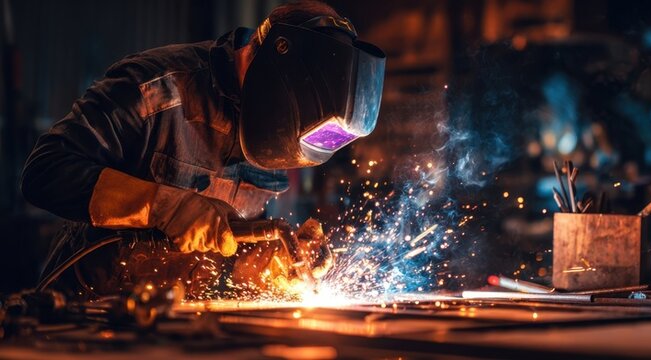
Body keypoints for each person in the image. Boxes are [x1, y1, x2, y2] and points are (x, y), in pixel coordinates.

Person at [20, 1, 385, 299]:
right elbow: (44, 172)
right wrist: (163, 206)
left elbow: (223, 245)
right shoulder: (154, 89)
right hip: (82, 313)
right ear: (276, 70)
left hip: (179, 326)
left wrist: (267, 260)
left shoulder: (278, 135)